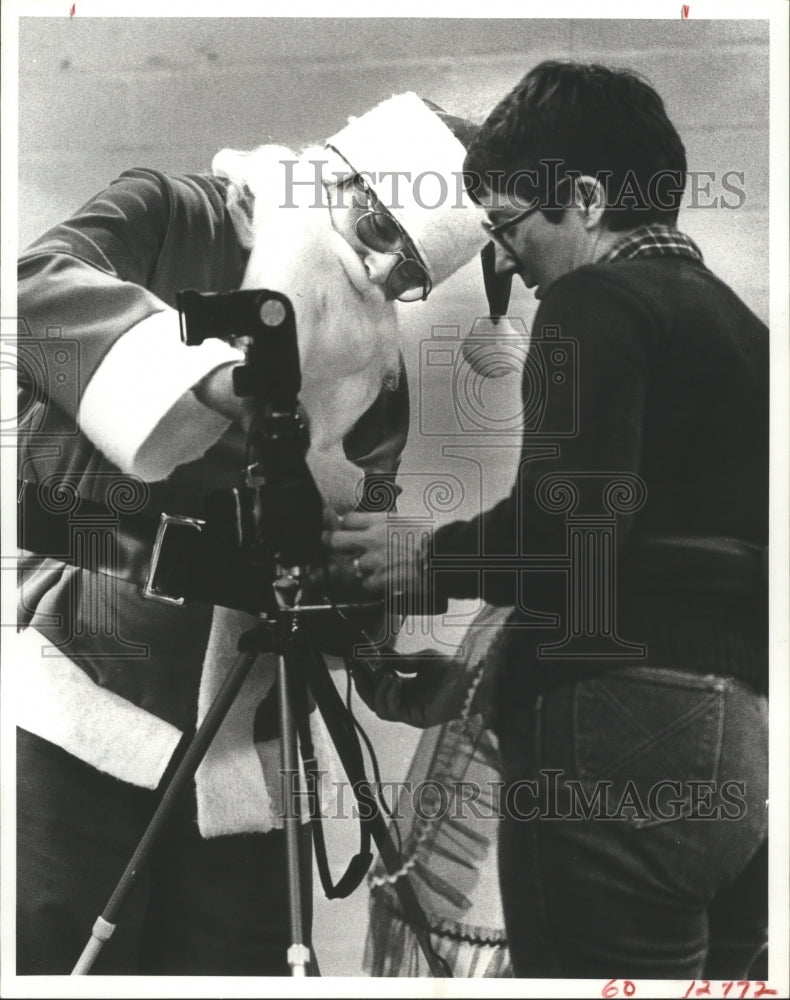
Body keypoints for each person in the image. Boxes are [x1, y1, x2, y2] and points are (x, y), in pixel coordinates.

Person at [15, 91, 489, 975]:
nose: (379, 276)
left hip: (248, 758)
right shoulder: (168, 214)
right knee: (54, 960)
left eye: (410, 274)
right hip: (87, 702)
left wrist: (381, 672)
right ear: (328, 174)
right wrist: (207, 383)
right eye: (376, 229)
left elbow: (332, 559)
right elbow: (28, 297)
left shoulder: (375, 382)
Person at [326, 62, 769, 980]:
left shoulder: (594, 302)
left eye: (507, 225)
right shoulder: (741, 331)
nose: (507, 261)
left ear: (584, 199)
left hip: (608, 729)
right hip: (735, 748)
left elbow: (567, 539)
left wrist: (425, 556)